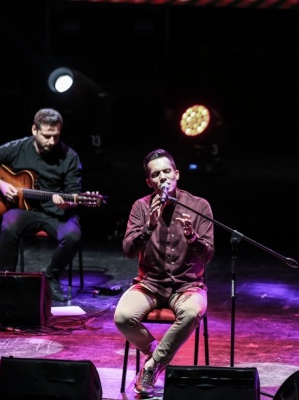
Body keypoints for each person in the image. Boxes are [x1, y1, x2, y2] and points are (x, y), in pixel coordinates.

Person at [114, 148, 214, 398]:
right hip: (150, 284)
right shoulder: (141, 207)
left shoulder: (199, 205)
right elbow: (127, 250)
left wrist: (193, 237)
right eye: (156, 174)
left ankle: (151, 366)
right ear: (149, 181)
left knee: (192, 312)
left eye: (167, 171)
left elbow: (208, 254)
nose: (163, 178)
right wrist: (148, 226)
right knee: (122, 316)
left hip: (188, 286)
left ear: (177, 174)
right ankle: (158, 354)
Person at [0, 108, 84, 302]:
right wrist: (1, 184)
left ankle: (50, 276)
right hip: (25, 211)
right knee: (9, 224)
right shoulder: (17, 148)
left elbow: (74, 195)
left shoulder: (70, 156)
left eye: (56, 136)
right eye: (47, 136)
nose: (52, 141)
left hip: (57, 213)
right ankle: (7, 280)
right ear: (34, 130)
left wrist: (67, 204)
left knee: (73, 236)